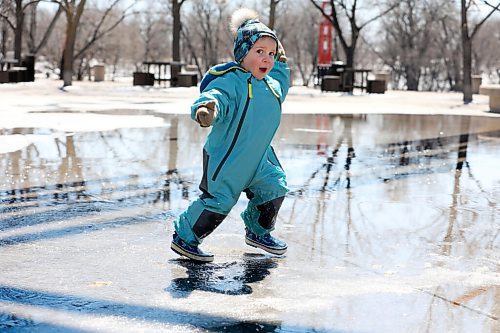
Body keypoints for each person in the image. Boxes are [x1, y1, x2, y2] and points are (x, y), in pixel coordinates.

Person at [171, 8, 290, 262]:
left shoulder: (271, 86)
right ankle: (185, 237)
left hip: (259, 160)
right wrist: (207, 109)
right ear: (243, 53)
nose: (266, 58)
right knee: (219, 202)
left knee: (275, 187)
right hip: (228, 159)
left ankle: (258, 231)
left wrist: (281, 64)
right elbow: (217, 96)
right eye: (259, 52)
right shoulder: (232, 80)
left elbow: (282, 80)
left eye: (271, 53)